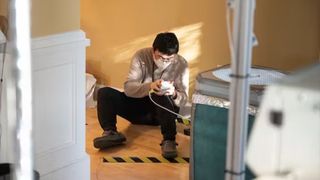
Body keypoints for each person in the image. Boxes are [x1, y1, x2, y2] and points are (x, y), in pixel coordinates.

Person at [93, 32, 189, 158]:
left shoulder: (181, 64)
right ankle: (110, 132)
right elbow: (129, 88)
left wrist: (174, 93)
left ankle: (169, 140)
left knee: (159, 94)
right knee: (104, 93)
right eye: (161, 57)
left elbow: (184, 99)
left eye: (169, 59)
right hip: (138, 107)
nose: (165, 62)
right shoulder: (141, 56)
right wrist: (150, 86)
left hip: (163, 112)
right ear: (153, 50)